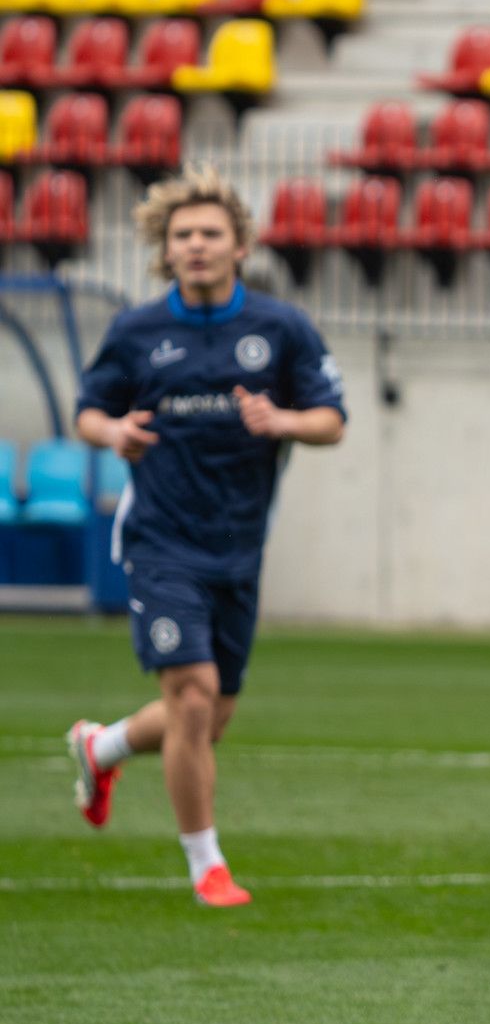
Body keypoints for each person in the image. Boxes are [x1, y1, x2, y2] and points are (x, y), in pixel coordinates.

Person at [64, 166, 346, 907]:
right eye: (182, 234)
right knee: (192, 699)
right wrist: (114, 430)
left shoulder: (280, 329)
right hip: (160, 540)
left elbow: (332, 420)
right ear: (166, 249)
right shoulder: (136, 331)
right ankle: (206, 866)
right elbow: (87, 412)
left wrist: (282, 421)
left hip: (239, 546)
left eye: (209, 233)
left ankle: (103, 746)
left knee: (210, 714)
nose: (195, 244)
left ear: (239, 244)